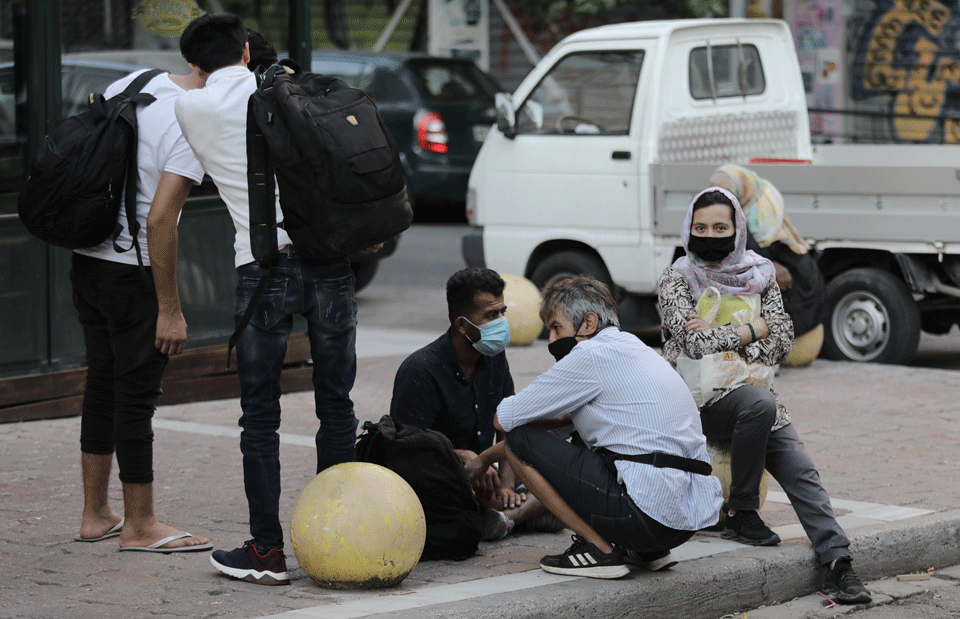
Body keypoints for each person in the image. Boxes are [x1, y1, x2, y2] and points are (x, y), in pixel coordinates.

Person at [176, 14, 371, 585]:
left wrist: (199, 73)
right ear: (244, 51)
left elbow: (181, 87)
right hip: (329, 261)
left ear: (195, 63)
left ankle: (266, 552)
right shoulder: (291, 87)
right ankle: (338, 540)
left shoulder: (191, 108)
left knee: (259, 416)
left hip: (261, 269)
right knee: (337, 406)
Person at [657, 187, 871, 604]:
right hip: (691, 402)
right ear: (688, 229)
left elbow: (784, 340)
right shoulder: (676, 278)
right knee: (760, 405)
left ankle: (838, 564)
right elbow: (690, 343)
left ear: (738, 230)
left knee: (802, 471)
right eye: (700, 227)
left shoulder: (761, 273)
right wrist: (756, 328)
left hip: (754, 393)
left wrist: (737, 335)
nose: (710, 235)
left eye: (720, 227)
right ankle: (742, 513)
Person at [466, 275, 723, 579]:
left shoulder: (589, 355)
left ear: (588, 323)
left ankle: (598, 549)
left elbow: (505, 420)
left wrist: (484, 459)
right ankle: (645, 551)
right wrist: (485, 459)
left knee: (519, 440)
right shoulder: (635, 348)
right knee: (573, 438)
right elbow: (558, 429)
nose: (550, 340)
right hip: (682, 522)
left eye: (556, 327)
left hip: (643, 515)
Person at [71, 65, 212, 553]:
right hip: (134, 273)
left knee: (102, 383)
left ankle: (95, 514)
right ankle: (140, 524)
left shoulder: (134, 82)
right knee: (135, 398)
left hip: (88, 260)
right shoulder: (195, 119)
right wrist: (169, 307)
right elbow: (159, 219)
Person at [390, 267, 559, 540]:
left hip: (485, 477)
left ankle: (506, 518)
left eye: (503, 311)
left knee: (560, 476)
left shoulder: (493, 358)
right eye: (491, 315)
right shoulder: (420, 371)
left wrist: (507, 485)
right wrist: (460, 456)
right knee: (547, 500)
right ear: (461, 325)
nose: (502, 322)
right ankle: (521, 515)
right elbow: (406, 452)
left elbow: (508, 424)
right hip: (441, 481)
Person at [710, 164, 826, 362]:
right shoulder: (735, 212)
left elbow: (753, 257)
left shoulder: (758, 213)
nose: (720, 196)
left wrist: (768, 267)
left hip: (798, 301)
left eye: (727, 191)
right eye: (714, 191)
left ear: (742, 190)